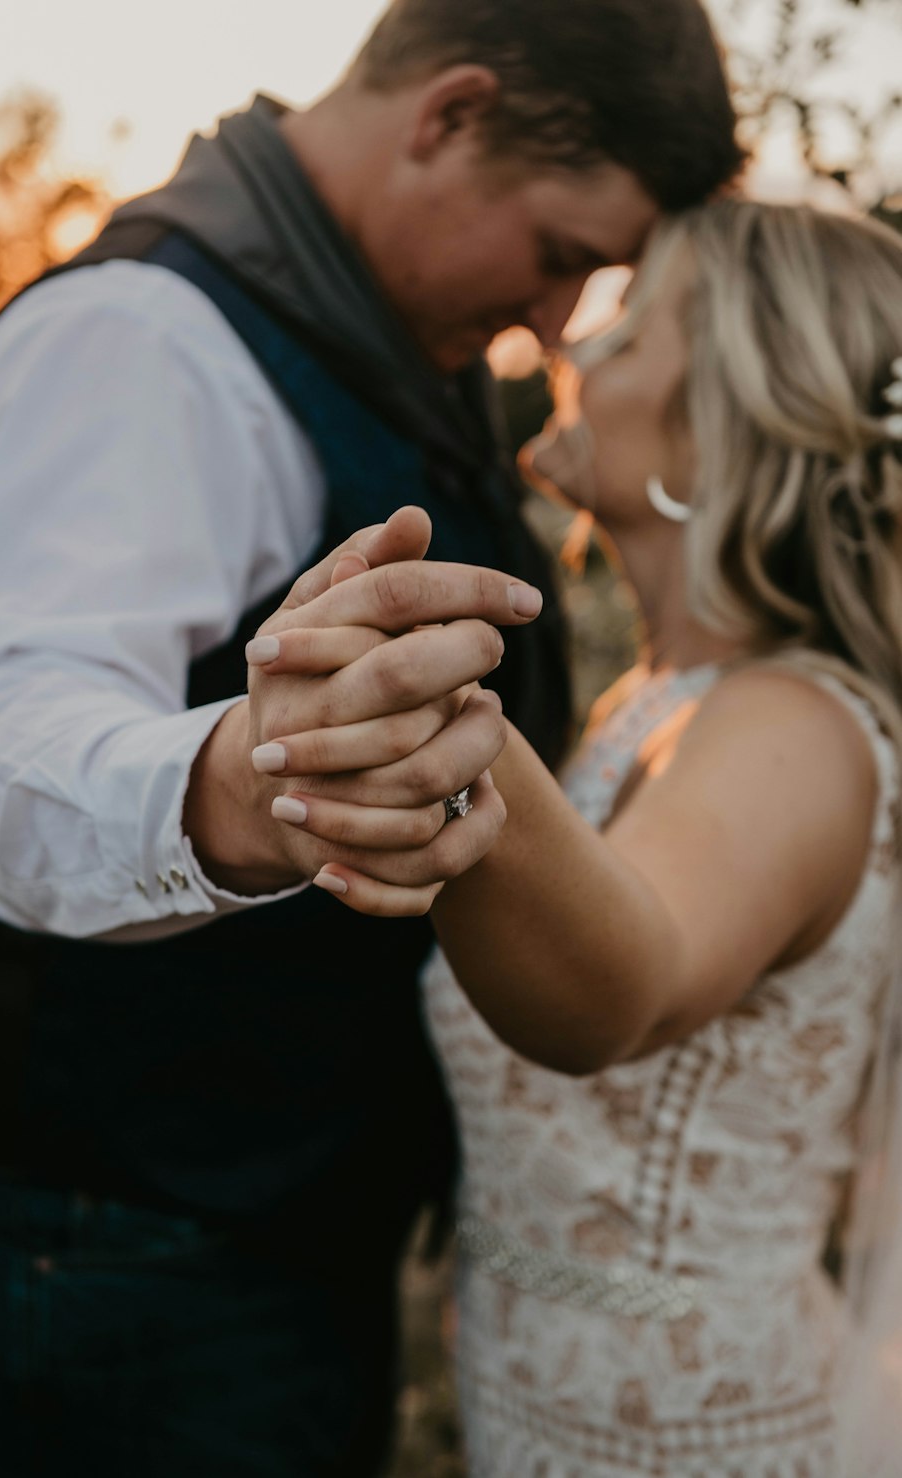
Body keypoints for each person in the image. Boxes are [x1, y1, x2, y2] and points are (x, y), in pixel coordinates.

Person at [0, 1, 742, 1474]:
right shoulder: (142, 342)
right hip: (93, 1276)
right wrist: (246, 779)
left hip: (267, 1258)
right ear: (451, 116)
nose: (558, 326)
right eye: (561, 256)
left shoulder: (378, 348)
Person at [260, 200, 902, 1475]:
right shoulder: (650, 706)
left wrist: (440, 720)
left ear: (723, 410)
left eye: (620, 322)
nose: (567, 344)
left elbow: (624, 985)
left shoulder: (796, 725)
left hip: (704, 1444)